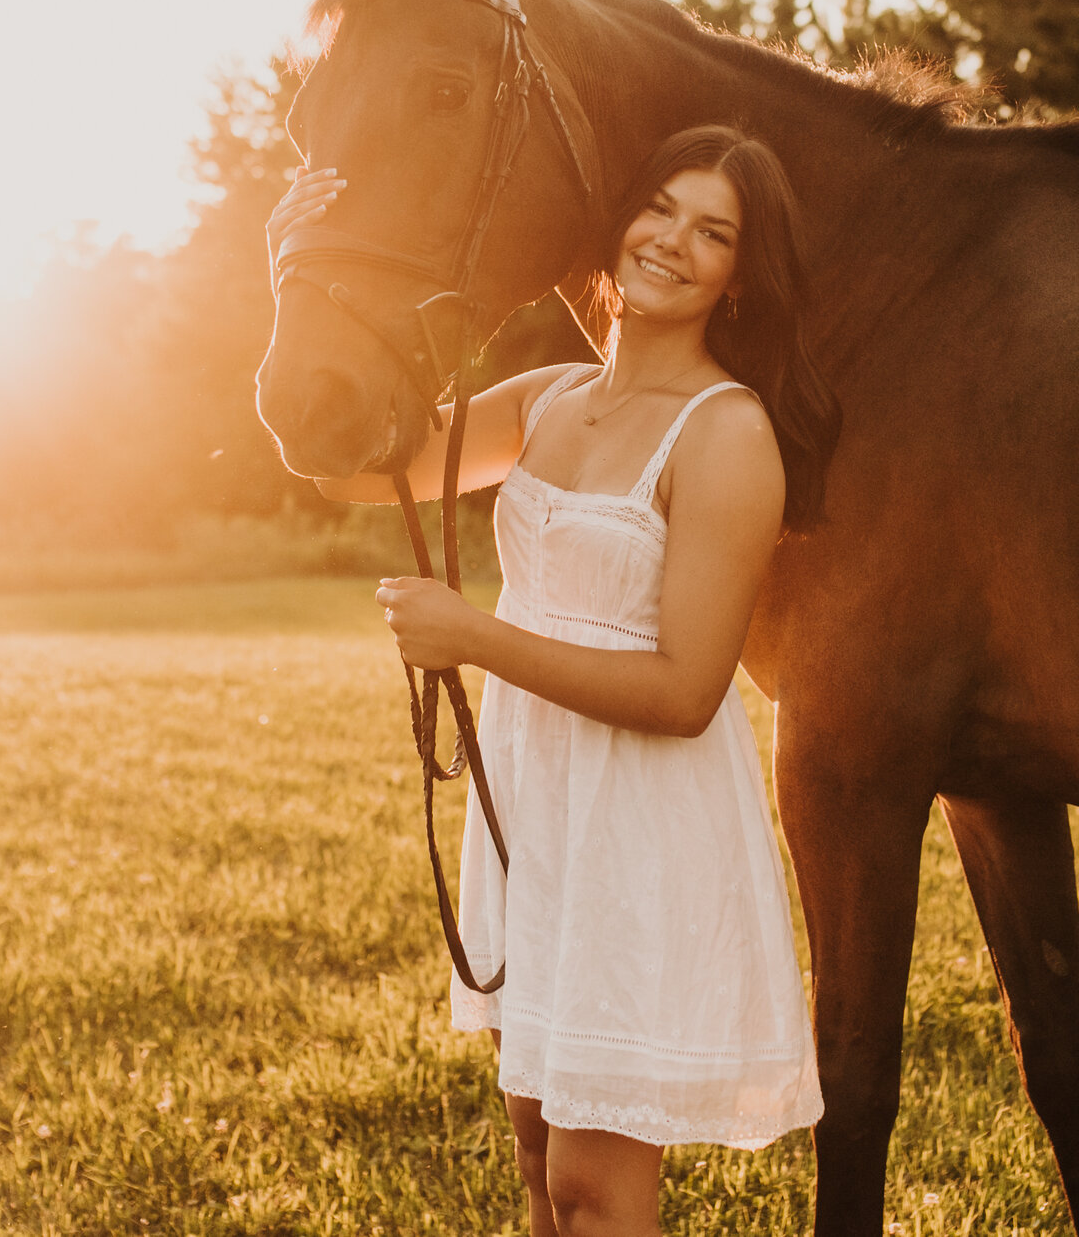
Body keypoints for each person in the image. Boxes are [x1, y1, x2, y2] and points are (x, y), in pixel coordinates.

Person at [268, 124, 840, 1237]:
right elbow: (343, 467)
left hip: (638, 823)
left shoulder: (726, 435)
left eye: (712, 231)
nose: (672, 240)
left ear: (740, 275)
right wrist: (287, 274)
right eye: (660, 207)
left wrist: (470, 637)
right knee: (538, 1160)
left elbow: (685, 691)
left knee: (592, 1185)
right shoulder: (546, 399)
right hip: (534, 803)